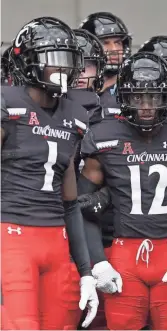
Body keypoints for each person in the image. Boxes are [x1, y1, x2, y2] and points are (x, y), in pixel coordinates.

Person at [79, 52, 167, 330]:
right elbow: (82, 206)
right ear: (124, 97)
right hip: (124, 254)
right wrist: (99, 263)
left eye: (155, 96)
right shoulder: (103, 137)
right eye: (138, 97)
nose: (147, 106)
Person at [1, 17, 98, 329]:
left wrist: (85, 270)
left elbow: (69, 202)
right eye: (53, 60)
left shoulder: (75, 115)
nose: (63, 69)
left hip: (57, 240)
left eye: (68, 61)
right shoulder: (8, 104)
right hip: (11, 235)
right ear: (29, 64)